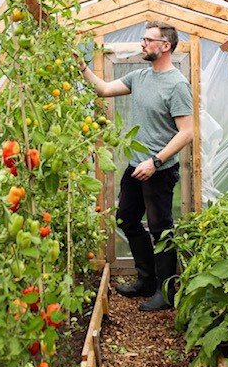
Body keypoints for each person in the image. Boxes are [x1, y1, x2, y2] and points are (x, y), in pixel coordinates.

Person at [78, 21, 193, 310]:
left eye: (148, 40)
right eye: (143, 39)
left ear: (165, 46)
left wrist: (155, 161)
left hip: (159, 170)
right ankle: (146, 278)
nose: (142, 44)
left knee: (161, 229)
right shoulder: (140, 76)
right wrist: (82, 68)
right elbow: (103, 89)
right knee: (126, 219)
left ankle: (166, 293)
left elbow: (187, 132)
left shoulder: (177, 84)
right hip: (135, 166)